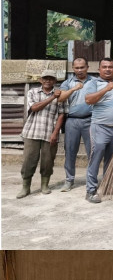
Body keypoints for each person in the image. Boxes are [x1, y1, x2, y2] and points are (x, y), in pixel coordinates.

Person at [83, 57, 113, 204]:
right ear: (99, 69)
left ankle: (107, 185)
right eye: (105, 67)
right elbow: (89, 100)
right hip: (99, 127)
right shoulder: (93, 83)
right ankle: (91, 190)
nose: (108, 69)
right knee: (96, 157)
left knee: (110, 158)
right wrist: (106, 89)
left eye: (110, 67)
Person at [17, 70, 66, 199]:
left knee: (48, 161)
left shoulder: (60, 94)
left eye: (51, 78)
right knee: (28, 161)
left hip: (49, 133)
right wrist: (52, 97)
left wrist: (55, 133)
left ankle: (45, 185)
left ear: (55, 81)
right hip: (32, 132)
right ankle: (25, 187)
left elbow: (62, 114)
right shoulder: (32, 92)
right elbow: (34, 108)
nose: (48, 81)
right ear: (40, 80)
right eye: (45, 78)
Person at [58, 58, 95, 192]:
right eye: (77, 68)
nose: (79, 70)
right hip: (72, 120)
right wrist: (74, 88)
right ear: (73, 68)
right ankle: (69, 180)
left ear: (87, 67)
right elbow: (61, 98)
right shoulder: (67, 83)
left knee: (92, 151)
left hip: (90, 120)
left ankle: (91, 180)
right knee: (70, 151)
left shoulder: (94, 82)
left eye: (82, 67)